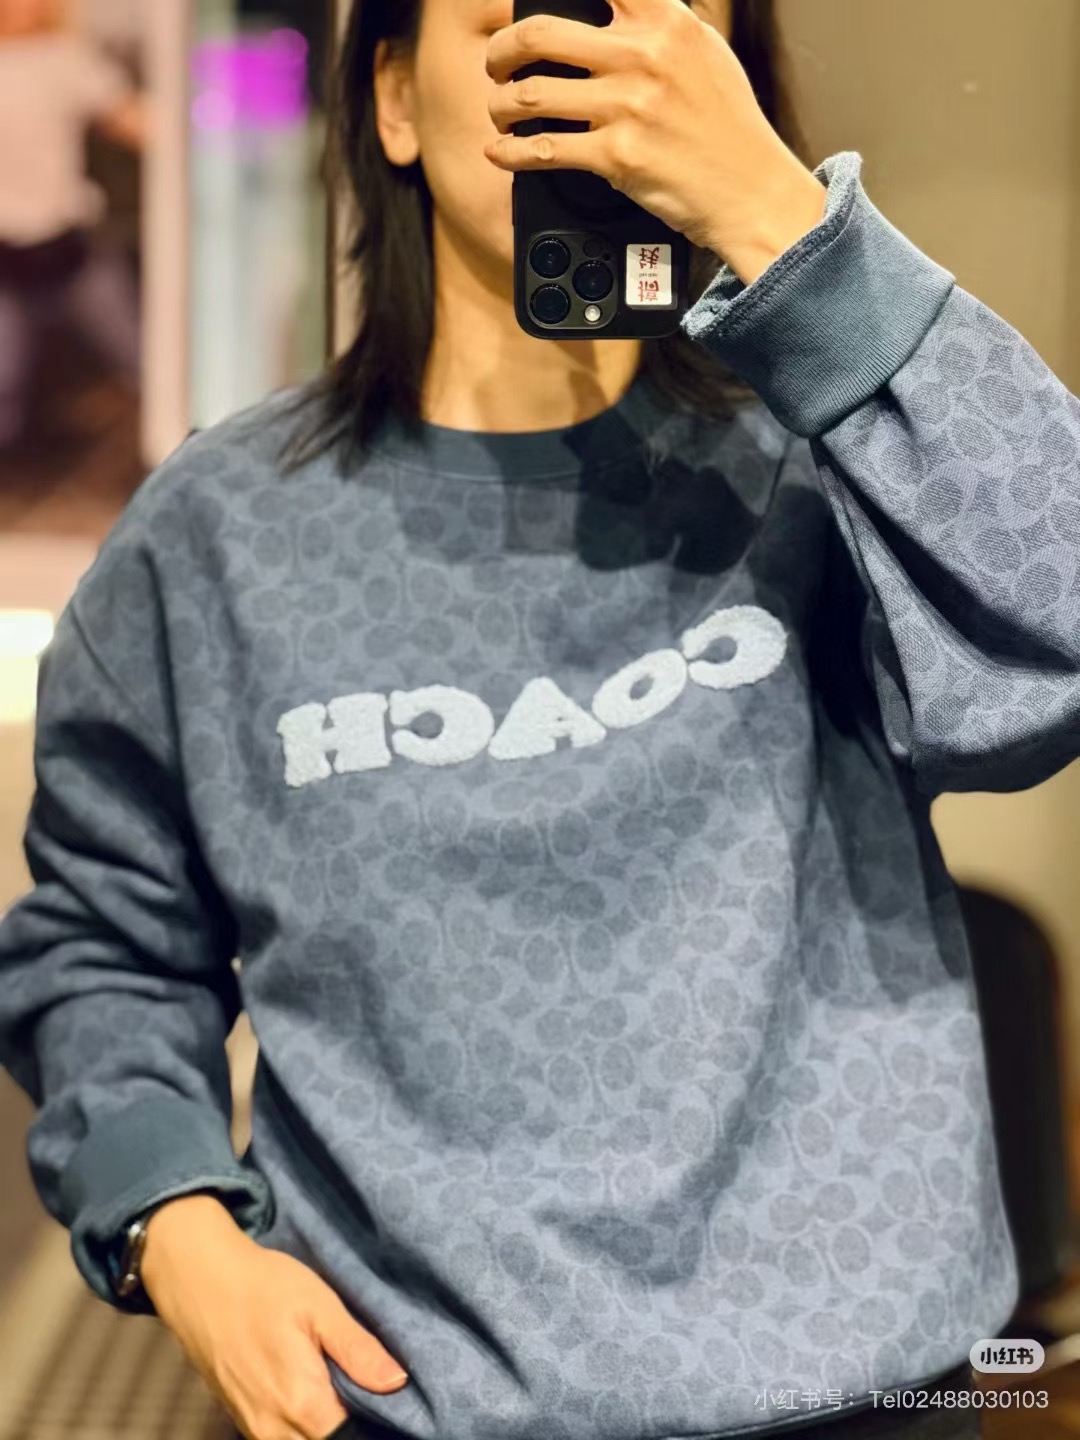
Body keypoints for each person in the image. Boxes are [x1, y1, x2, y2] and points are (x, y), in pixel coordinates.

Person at [0, 1, 1075, 1438]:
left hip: (861, 1388)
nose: (592, 79)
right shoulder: (218, 538)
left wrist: (781, 225)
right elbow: (102, 943)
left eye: (652, 25)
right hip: (414, 1404)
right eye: (529, 28)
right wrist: (177, 1230)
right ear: (395, 101)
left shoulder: (822, 455)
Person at [0, 0, 145, 448]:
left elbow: (136, 120)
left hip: (71, 251)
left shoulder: (65, 59)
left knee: (145, 359)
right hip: (5, 260)